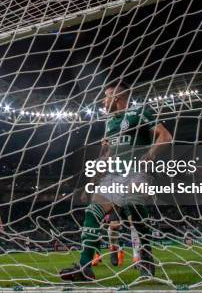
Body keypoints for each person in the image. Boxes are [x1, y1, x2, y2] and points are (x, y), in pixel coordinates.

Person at [60, 81, 172, 281]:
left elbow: (165, 136)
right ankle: (85, 266)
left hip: (137, 171)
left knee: (133, 210)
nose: (103, 101)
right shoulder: (110, 122)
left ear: (117, 97)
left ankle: (145, 254)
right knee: (92, 212)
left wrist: (150, 154)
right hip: (114, 175)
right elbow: (108, 153)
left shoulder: (139, 112)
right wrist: (94, 177)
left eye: (106, 96)